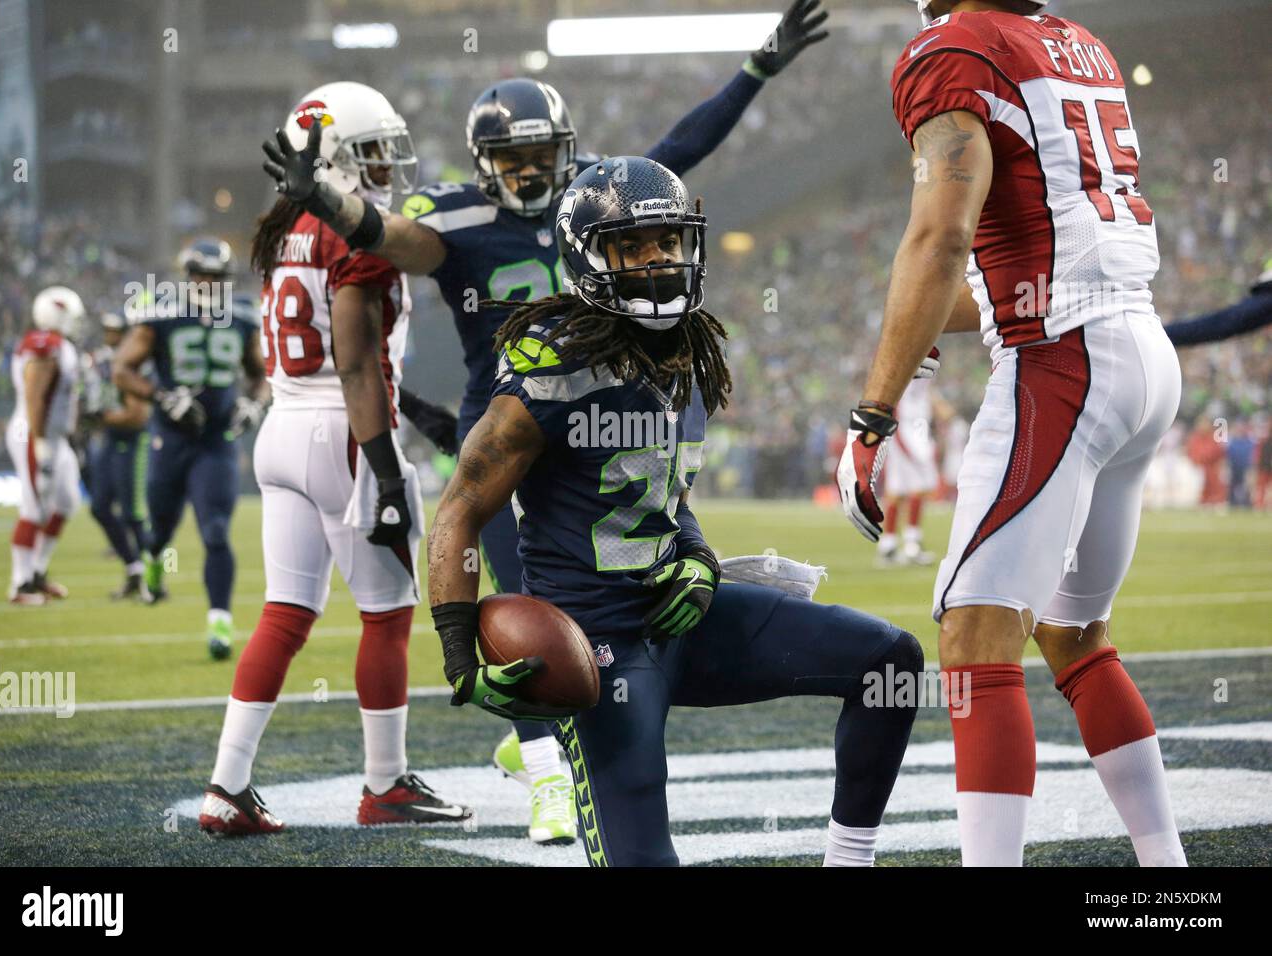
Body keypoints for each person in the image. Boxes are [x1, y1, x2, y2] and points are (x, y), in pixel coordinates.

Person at [263, 0, 832, 847]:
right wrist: (330, 206)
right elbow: (393, 239)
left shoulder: (597, 196)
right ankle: (547, 779)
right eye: (512, 157)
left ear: (566, 152)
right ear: (482, 161)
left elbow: (679, 151)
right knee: (521, 605)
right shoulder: (455, 218)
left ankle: (584, 741)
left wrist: (754, 71)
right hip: (501, 435)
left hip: (600, 428)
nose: (530, 172)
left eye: (542, 155)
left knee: (609, 602)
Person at [426, 158, 922, 867]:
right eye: (634, 246)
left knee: (889, 663)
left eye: (670, 242)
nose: (659, 261)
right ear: (589, 258)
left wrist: (695, 556)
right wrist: (456, 652)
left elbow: (670, 493)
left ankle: (850, 861)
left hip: (683, 616)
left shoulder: (685, 350)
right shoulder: (554, 368)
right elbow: (459, 512)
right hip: (596, 648)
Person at [835, 0, 1186, 865]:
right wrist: (908, 340)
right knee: (1072, 637)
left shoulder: (952, 47)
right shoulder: (1080, 43)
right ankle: (1168, 875)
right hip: (1142, 350)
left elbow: (943, 235)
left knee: (970, 638)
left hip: (1063, 365)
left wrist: (871, 415)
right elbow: (1025, 261)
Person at [199, 82, 469, 835]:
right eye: (374, 152)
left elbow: (341, 357)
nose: (386, 166)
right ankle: (385, 786)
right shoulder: (354, 234)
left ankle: (226, 787)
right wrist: (385, 471)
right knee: (387, 613)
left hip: (283, 428)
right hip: (340, 434)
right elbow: (354, 364)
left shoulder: (281, 228)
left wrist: (408, 408)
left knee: (284, 613)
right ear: (340, 158)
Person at [113, 237, 267, 659]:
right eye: (202, 275)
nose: (208, 283)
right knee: (160, 528)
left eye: (216, 276)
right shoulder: (162, 315)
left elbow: (262, 374)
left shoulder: (241, 318)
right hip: (170, 439)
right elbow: (122, 369)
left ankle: (220, 621)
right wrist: (162, 396)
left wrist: (254, 403)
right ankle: (154, 564)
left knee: (216, 530)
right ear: (188, 276)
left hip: (215, 442)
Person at [6, 287, 86, 605]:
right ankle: (20, 583)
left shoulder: (63, 346)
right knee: (34, 507)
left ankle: (37, 572)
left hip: (54, 437)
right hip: (34, 433)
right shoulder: (46, 344)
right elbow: (35, 395)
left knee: (67, 501)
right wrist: (39, 442)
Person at [83, 311, 152, 600]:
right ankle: (134, 569)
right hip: (110, 440)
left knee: (134, 514)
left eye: (115, 332)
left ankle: (156, 578)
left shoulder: (135, 365)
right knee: (99, 507)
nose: (110, 337)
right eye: (107, 331)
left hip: (133, 442)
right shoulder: (100, 362)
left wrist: (101, 417)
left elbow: (137, 416)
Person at [875, 377, 938, 567]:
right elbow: (897, 417)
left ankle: (889, 546)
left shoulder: (920, 393)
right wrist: (913, 452)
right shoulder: (908, 390)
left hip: (909, 443)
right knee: (916, 490)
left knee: (898, 493)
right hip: (906, 445)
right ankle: (912, 545)